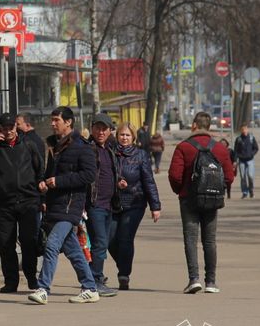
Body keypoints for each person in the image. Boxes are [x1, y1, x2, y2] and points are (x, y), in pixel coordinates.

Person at [27, 107, 100, 305]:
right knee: (74, 251)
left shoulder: (81, 146)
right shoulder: (54, 146)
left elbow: (88, 175)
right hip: (54, 205)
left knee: (52, 245)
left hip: (70, 206)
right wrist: (44, 183)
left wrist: (58, 181)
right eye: (52, 120)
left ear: (68, 122)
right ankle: (90, 287)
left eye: (56, 120)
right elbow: (48, 172)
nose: (52, 124)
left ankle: (43, 289)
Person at [168, 112, 235, 294]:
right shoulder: (220, 149)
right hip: (212, 200)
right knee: (210, 240)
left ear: (194, 126)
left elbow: (174, 175)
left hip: (189, 199)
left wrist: (180, 190)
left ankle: (193, 279)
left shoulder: (183, 147)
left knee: (191, 239)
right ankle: (211, 282)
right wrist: (219, 190)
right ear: (210, 126)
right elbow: (229, 176)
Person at [0, 112, 43, 293]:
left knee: (29, 241)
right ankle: (11, 281)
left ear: (16, 127)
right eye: (4, 129)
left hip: (29, 201)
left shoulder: (29, 145)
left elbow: (39, 170)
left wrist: (40, 198)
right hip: (5, 203)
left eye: (11, 128)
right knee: (6, 243)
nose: (8, 132)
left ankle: (31, 278)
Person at [109, 123, 161, 290]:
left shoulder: (141, 155)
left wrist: (155, 206)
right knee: (109, 239)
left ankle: (124, 275)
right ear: (117, 136)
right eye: (122, 135)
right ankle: (123, 263)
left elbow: (148, 181)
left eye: (127, 135)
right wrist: (116, 183)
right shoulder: (110, 153)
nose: (124, 138)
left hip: (134, 203)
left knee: (125, 238)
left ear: (133, 138)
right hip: (113, 203)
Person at [84, 113, 120, 297]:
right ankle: (95, 281)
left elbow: (110, 173)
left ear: (109, 131)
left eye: (104, 128)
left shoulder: (109, 150)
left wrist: (119, 182)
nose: (100, 132)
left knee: (102, 243)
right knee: (99, 243)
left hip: (109, 205)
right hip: (95, 204)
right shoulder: (88, 149)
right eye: (97, 128)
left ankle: (92, 277)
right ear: (92, 129)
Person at [233, 124, 259, 198]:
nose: (244, 131)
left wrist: (252, 154)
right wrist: (235, 160)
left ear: (247, 129)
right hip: (241, 161)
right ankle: (244, 192)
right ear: (241, 130)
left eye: (245, 129)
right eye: (242, 129)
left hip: (250, 160)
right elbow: (236, 151)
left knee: (250, 176)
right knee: (243, 177)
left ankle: (251, 190)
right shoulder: (238, 139)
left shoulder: (251, 138)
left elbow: (256, 148)